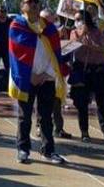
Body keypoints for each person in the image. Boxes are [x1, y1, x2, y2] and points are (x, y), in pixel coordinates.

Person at [10, 0, 67, 165]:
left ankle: (48, 151)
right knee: (24, 117)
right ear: (22, 6)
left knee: (45, 117)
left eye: (36, 2)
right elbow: (16, 55)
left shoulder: (49, 29)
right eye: (29, 2)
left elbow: (56, 55)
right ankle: (23, 149)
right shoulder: (17, 26)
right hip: (26, 79)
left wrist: (46, 74)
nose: (34, 4)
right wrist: (30, 76)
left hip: (46, 78)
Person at [69, 9, 104, 144]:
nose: (77, 22)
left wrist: (92, 46)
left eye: (80, 19)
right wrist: (81, 35)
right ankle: (84, 132)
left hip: (98, 70)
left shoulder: (97, 32)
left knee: (102, 102)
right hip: (81, 70)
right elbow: (71, 47)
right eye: (76, 20)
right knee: (82, 103)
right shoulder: (74, 32)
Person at [36, 9, 72, 139]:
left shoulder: (56, 32)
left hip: (56, 73)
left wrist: (65, 42)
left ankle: (59, 128)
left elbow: (62, 55)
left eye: (50, 18)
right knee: (42, 104)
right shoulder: (37, 32)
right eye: (45, 19)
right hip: (41, 73)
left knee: (57, 102)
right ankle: (40, 127)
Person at [0, 3, 12, 75]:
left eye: (4, 11)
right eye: (1, 11)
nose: (2, 13)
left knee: (9, 68)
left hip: (7, 48)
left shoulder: (11, 22)